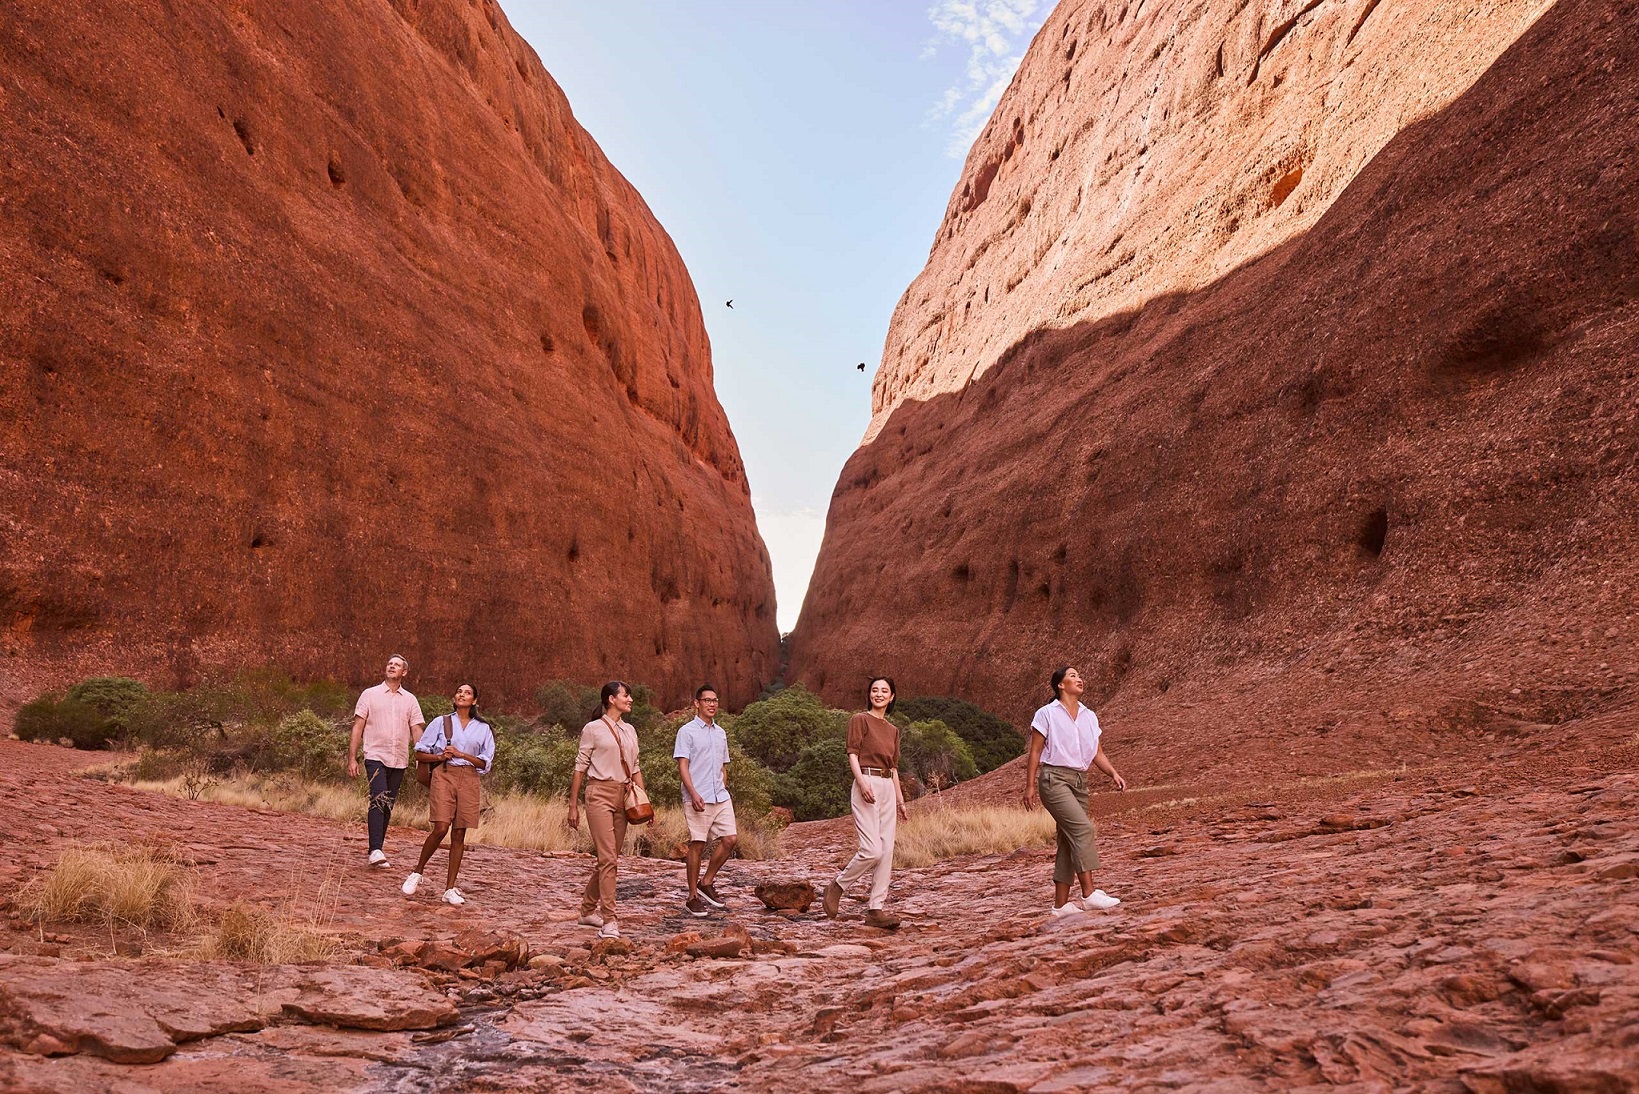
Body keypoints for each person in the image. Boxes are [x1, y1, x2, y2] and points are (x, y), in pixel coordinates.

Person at [1023, 666, 1127, 917]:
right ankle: (1089, 894)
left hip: (1080, 782)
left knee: (1069, 841)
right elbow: (1035, 751)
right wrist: (1029, 786)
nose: (1079, 678)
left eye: (1080, 675)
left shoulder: (1090, 716)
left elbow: (1097, 753)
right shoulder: (1046, 713)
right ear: (1060, 685)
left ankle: (1060, 907)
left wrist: (1113, 773)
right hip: (1054, 780)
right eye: (1072, 675)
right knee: (1083, 829)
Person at [822, 676, 908, 930]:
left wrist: (901, 800)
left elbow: (893, 769)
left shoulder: (893, 731)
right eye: (874, 690)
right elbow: (853, 753)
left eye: (884, 691)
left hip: (887, 788)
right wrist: (861, 783)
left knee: (887, 852)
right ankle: (838, 885)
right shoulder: (859, 720)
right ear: (869, 694)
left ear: (892, 697)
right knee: (872, 849)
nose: (879, 694)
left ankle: (875, 909)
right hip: (866, 783)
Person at [402, 683, 495, 906]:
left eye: (468, 693)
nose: (462, 695)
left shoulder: (483, 728)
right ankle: (417, 872)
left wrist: (461, 754)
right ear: (454, 698)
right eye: (459, 692)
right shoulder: (441, 722)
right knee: (441, 827)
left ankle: (449, 888)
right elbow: (419, 752)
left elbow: (485, 762)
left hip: (470, 777)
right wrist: (440, 757)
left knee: (459, 833)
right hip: (444, 775)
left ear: (474, 701)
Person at [566, 681, 645, 939]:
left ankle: (587, 911)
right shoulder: (593, 729)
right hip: (598, 793)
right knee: (609, 859)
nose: (630, 699)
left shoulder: (630, 730)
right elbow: (580, 766)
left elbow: (635, 767)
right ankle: (609, 920)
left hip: (624, 795)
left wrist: (644, 801)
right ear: (611, 699)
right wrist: (573, 805)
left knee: (608, 859)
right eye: (626, 695)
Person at [347, 654, 425, 867]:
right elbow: (358, 727)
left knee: (388, 805)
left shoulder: (410, 700)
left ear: (404, 672)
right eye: (390, 664)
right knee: (378, 798)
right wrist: (352, 758)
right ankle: (375, 849)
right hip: (375, 756)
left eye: (397, 665)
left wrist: (421, 757)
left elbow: (416, 729)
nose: (392, 667)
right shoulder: (369, 694)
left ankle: (377, 849)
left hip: (399, 759)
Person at [674, 683, 738, 916]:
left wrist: (723, 783)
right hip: (697, 795)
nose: (712, 704)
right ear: (697, 703)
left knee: (730, 839)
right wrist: (693, 793)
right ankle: (692, 897)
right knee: (698, 844)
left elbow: (723, 765)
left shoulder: (721, 733)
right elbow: (683, 765)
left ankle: (706, 882)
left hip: (720, 795)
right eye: (707, 700)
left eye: (715, 700)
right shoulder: (687, 731)